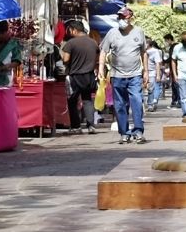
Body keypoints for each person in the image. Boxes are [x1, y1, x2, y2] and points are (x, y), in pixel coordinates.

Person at [100, 9, 150, 144]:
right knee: (120, 105)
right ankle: (124, 133)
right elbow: (103, 51)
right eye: (120, 17)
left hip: (135, 75)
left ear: (130, 18)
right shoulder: (112, 33)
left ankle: (138, 131)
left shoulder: (139, 32)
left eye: (124, 17)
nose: (121, 19)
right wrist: (101, 69)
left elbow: (143, 52)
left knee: (137, 102)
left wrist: (146, 71)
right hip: (117, 75)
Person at [62, 21, 100, 134]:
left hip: (75, 76)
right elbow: (97, 58)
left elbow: (65, 59)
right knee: (87, 99)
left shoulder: (71, 43)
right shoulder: (93, 42)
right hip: (89, 75)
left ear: (74, 30)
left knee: (72, 101)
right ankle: (91, 126)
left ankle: (76, 127)